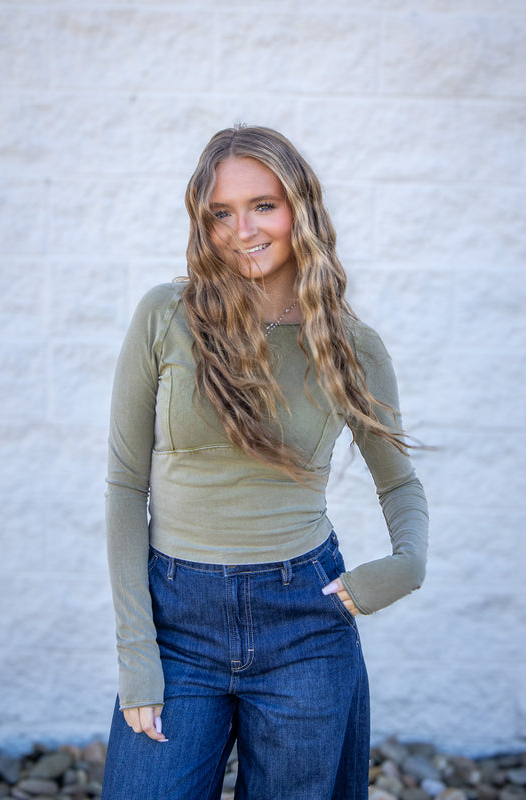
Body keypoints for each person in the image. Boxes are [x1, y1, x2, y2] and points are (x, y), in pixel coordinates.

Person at [101, 125, 428, 800]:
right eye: (221, 212)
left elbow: (398, 481)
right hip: (176, 622)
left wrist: (406, 565)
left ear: (299, 209)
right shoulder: (166, 316)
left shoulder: (350, 346)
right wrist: (136, 652)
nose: (241, 229)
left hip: (303, 623)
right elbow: (125, 485)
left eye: (262, 206)